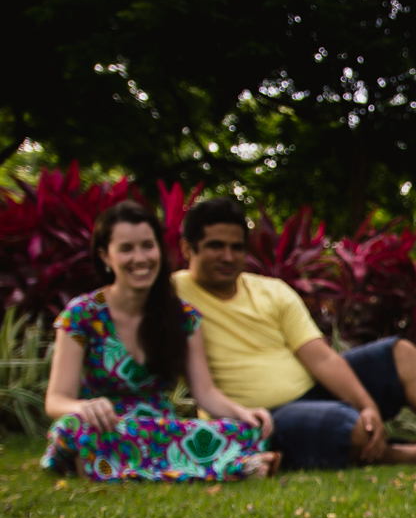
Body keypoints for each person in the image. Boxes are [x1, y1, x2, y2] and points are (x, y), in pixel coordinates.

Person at [172, 197, 416, 469]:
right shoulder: (171, 294)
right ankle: (404, 454)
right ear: (187, 247)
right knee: (348, 427)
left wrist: (367, 404)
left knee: (399, 353)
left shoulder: (272, 290)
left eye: (236, 247)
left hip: (312, 393)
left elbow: (320, 356)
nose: (227, 256)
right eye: (214, 247)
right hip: (254, 418)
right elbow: (116, 306)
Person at [43, 201, 280, 481]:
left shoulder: (184, 317)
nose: (140, 258)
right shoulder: (81, 314)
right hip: (104, 425)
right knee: (71, 428)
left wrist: (244, 413)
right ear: (106, 256)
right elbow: (56, 399)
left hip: (160, 428)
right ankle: (231, 467)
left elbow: (205, 393)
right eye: (126, 249)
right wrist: (82, 407)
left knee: (238, 431)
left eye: (148, 246)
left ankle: (109, 467)